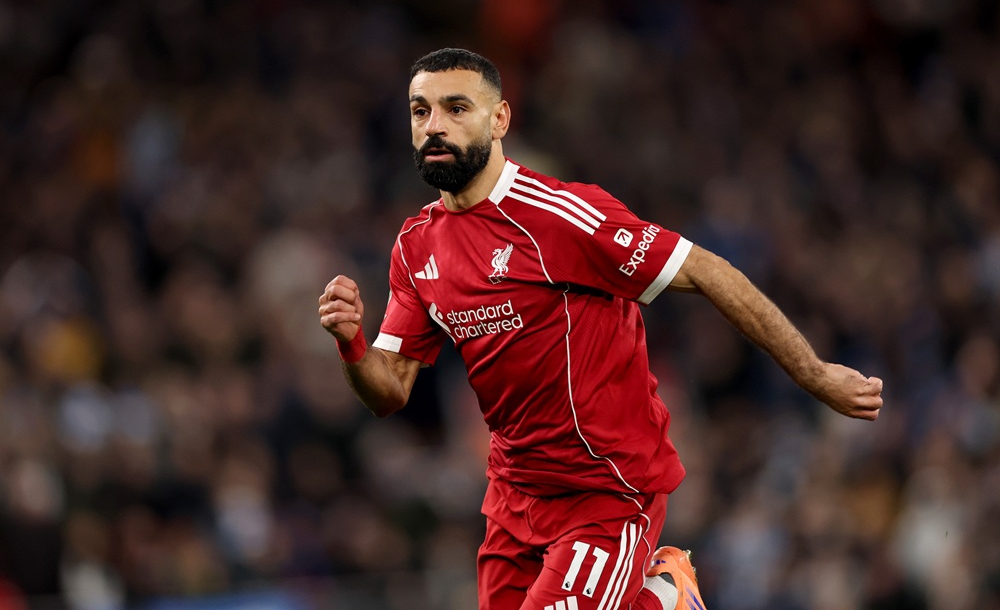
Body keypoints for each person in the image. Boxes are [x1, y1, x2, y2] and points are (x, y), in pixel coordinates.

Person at [318, 48, 884, 610]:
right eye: (421, 111)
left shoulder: (559, 216)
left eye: (456, 108)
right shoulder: (416, 246)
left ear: (499, 120)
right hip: (514, 497)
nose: (435, 126)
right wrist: (352, 343)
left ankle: (666, 597)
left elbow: (707, 270)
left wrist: (814, 373)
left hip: (606, 489)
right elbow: (389, 391)